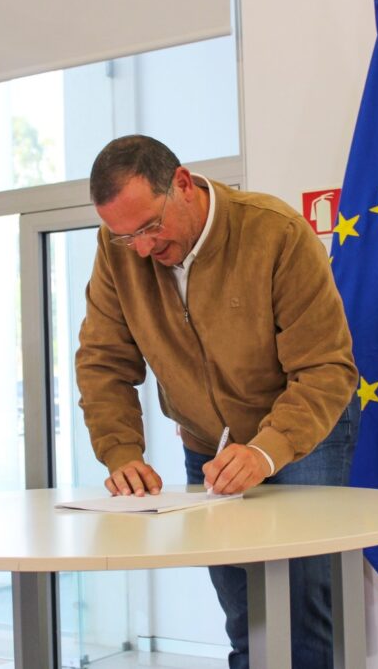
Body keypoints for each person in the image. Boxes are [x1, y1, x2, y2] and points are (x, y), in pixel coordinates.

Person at [75, 135, 360, 669]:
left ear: (182, 184)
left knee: (301, 608)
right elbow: (102, 360)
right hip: (210, 442)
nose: (141, 249)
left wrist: (266, 451)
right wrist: (120, 452)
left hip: (302, 435)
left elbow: (326, 368)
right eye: (124, 237)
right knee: (245, 614)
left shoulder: (275, 233)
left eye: (150, 227)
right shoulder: (118, 252)